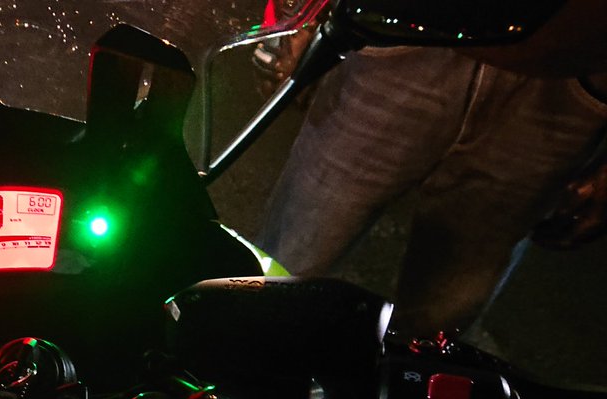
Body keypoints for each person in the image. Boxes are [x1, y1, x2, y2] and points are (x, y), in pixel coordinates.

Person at [254, 0, 607, 338]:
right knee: (289, 264)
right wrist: (297, 16)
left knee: (440, 320)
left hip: (568, 64)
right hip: (401, 32)